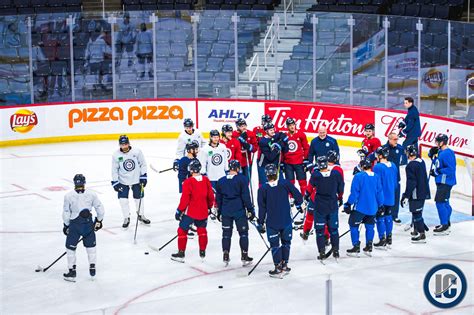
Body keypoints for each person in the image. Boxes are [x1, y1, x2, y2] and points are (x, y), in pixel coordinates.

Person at [257, 164, 303, 278]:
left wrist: (260, 222)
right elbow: (298, 196)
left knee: (275, 245)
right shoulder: (285, 183)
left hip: (272, 222)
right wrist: (298, 204)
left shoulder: (263, 189)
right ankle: (285, 265)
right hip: (286, 220)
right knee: (286, 242)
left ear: (266, 175)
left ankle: (278, 267)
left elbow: (262, 208)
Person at [63, 174, 104, 282]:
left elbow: (66, 212)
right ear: (84, 182)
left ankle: (72, 271)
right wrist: (99, 220)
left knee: (70, 248)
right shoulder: (92, 194)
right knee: (91, 247)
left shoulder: (68, 196)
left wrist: (66, 225)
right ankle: (92, 268)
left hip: (75, 225)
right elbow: (99, 208)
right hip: (88, 225)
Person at [172, 159, 215, 262]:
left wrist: (179, 211)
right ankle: (202, 252)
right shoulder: (206, 180)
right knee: (202, 230)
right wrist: (209, 207)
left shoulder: (188, 182)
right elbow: (210, 196)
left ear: (191, 170)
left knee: (182, 230)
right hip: (203, 211)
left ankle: (181, 253)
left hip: (190, 212)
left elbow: (185, 199)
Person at [215, 160, 255, 266]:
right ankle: (244, 255)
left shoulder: (221, 180)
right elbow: (246, 196)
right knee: (243, 234)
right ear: (237, 168)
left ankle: (226, 254)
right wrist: (250, 209)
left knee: (226, 234)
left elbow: (218, 198)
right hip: (239, 211)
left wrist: (219, 212)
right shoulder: (242, 179)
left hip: (226, 211)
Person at [343, 158, 384, 257]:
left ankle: (356, 246)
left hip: (360, 208)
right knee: (370, 227)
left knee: (353, 225)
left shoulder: (358, 176)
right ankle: (369, 245)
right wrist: (381, 205)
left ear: (362, 166)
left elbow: (354, 194)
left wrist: (348, 204)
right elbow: (379, 193)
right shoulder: (376, 177)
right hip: (373, 208)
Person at [307, 156, 344, 261]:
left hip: (320, 207)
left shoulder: (316, 175)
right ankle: (336, 251)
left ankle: (322, 252)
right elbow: (341, 187)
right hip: (332, 205)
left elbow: (309, 188)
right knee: (334, 230)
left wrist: (306, 196)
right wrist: (340, 197)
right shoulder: (336, 174)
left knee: (320, 231)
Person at [111, 135, 149, 228]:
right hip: (123, 181)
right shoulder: (116, 155)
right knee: (123, 200)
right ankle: (126, 217)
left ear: (129, 143)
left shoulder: (137, 151)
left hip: (136, 179)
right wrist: (115, 182)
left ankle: (141, 215)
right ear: (119, 145)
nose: (124, 146)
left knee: (139, 198)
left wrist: (143, 176)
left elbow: (143, 164)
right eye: (122, 144)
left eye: (126, 144)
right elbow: (114, 170)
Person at [401, 145, 430, 243]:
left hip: (416, 193)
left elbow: (411, 182)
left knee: (416, 213)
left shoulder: (410, 166)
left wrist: (406, 195)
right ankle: (416, 229)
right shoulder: (421, 161)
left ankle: (422, 234)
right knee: (418, 212)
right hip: (423, 192)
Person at [428, 134, 456, 235]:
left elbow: (450, 169)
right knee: (445, 202)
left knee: (440, 202)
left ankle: (444, 224)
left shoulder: (448, 153)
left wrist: (437, 172)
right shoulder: (441, 152)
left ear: (442, 142)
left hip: (445, 182)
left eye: (437, 141)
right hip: (442, 181)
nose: (435, 143)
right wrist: (432, 157)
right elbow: (438, 164)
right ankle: (446, 222)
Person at [372, 147, 398, 249]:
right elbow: (395, 182)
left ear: (380, 155)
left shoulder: (378, 167)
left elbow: (377, 184)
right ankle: (389, 237)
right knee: (388, 216)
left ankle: (382, 239)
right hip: (391, 196)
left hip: (381, 197)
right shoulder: (394, 165)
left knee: (380, 218)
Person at [282, 117, 309, 196]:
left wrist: (306, 159)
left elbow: (306, 148)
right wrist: (282, 162)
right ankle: (292, 198)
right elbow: (282, 150)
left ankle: (304, 197)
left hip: (299, 162)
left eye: (293, 124)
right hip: (288, 163)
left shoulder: (301, 134)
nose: (292, 126)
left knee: (302, 181)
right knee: (290, 182)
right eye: (290, 125)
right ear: (287, 126)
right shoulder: (284, 136)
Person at [382, 132, 405, 224]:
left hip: (396, 177)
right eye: (394, 139)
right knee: (384, 196)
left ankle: (394, 215)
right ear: (389, 139)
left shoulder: (400, 148)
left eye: (397, 139)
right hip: (385, 178)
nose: (396, 141)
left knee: (396, 196)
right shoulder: (383, 149)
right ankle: (382, 213)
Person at [398, 97, 421, 164]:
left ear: (411, 103)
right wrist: (402, 123)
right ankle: (417, 158)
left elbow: (410, 125)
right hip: (415, 132)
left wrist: (403, 132)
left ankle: (404, 161)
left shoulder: (412, 112)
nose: (405, 104)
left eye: (406, 103)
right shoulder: (412, 109)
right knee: (414, 145)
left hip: (413, 132)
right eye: (404, 103)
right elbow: (407, 118)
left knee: (404, 145)